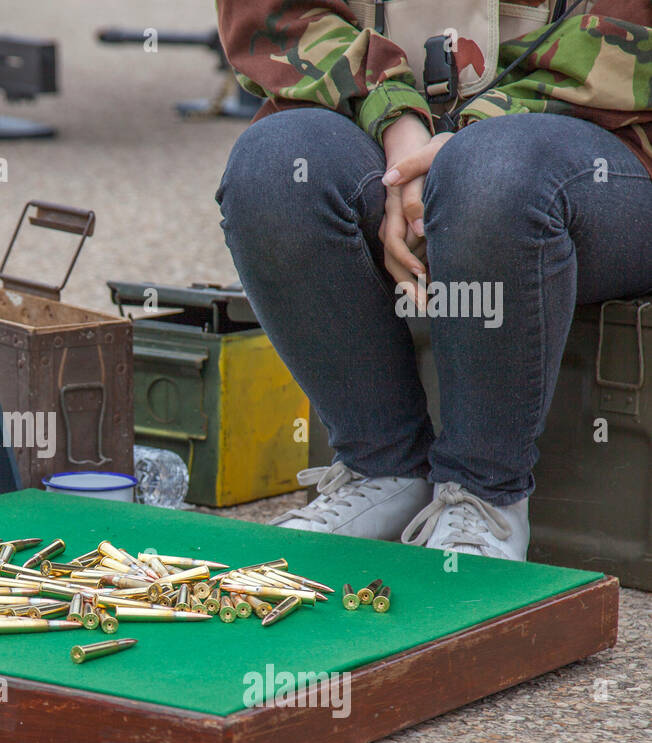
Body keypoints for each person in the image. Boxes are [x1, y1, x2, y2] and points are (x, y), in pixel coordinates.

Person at [215, 1, 652, 560]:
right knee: (272, 166)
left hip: (592, 149)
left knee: (492, 174)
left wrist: (471, 136)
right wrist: (400, 127)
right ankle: (383, 470)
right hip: (391, 132)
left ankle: (483, 494)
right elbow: (276, 14)